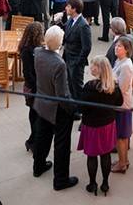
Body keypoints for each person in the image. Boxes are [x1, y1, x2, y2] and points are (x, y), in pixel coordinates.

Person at [32, 26, 78, 191]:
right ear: (60, 42)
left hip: (41, 103)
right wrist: (73, 109)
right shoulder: (59, 64)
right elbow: (62, 94)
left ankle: (38, 166)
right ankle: (61, 180)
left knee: (42, 136)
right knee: (62, 144)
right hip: (57, 109)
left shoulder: (38, 52)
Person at [78, 56, 123, 196]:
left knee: (92, 156)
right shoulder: (113, 87)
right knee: (105, 155)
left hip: (92, 126)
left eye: (94, 66)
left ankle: (92, 184)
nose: (91, 68)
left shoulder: (89, 87)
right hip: (108, 125)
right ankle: (105, 183)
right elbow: (119, 102)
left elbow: (82, 109)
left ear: (100, 69)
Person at [19, 22, 44, 153]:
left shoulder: (30, 48)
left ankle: (32, 140)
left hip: (33, 87)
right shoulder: (28, 51)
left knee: (34, 114)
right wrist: (37, 87)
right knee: (36, 115)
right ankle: (32, 141)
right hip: (33, 88)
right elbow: (27, 73)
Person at [62, 0, 92, 112]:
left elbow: (87, 47)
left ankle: (80, 110)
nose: (66, 8)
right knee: (69, 84)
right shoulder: (70, 20)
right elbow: (66, 36)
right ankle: (72, 107)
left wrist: (78, 62)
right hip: (67, 58)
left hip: (76, 61)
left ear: (74, 9)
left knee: (77, 87)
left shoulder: (83, 25)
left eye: (68, 6)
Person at [112, 36, 133, 174]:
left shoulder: (126, 65)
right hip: (119, 104)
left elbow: (122, 88)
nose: (116, 48)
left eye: (119, 46)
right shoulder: (119, 61)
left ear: (126, 50)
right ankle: (124, 160)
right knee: (122, 135)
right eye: (116, 45)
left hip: (121, 105)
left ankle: (121, 164)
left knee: (121, 136)